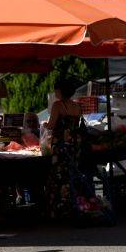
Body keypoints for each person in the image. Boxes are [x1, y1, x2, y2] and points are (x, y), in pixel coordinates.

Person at [44, 78, 84, 219]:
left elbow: (51, 125)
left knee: (58, 177)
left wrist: (44, 125)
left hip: (61, 145)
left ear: (60, 91)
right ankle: (73, 205)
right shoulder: (77, 106)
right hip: (74, 145)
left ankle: (58, 209)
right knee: (71, 175)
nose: (55, 92)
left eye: (56, 89)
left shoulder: (58, 105)